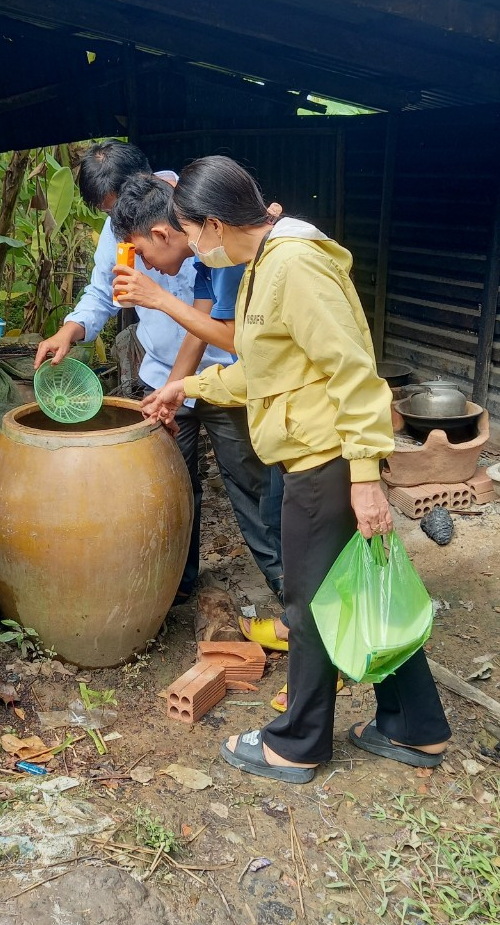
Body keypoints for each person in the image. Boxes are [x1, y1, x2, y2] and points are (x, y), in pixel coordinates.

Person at [142, 156, 451, 784]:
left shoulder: (295, 265)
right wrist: (191, 386)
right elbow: (268, 371)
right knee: (356, 593)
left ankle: (299, 744)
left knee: (308, 607)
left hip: (326, 461)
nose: (196, 249)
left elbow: (354, 371)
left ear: (217, 225)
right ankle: (415, 725)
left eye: (193, 233)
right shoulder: (262, 264)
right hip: (318, 454)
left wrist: (365, 476)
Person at [35, 141, 282, 602]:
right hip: (166, 374)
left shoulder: (204, 225)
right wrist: (73, 328)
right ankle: (176, 587)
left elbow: (216, 326)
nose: (131, 250)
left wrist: (178, 381)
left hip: (226, 376)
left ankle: (291, 591)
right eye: (109, 216)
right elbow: (102, 290)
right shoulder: (127, 223)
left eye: (138, 244)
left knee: (251, 483)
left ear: (146, 186)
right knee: (171, 486)